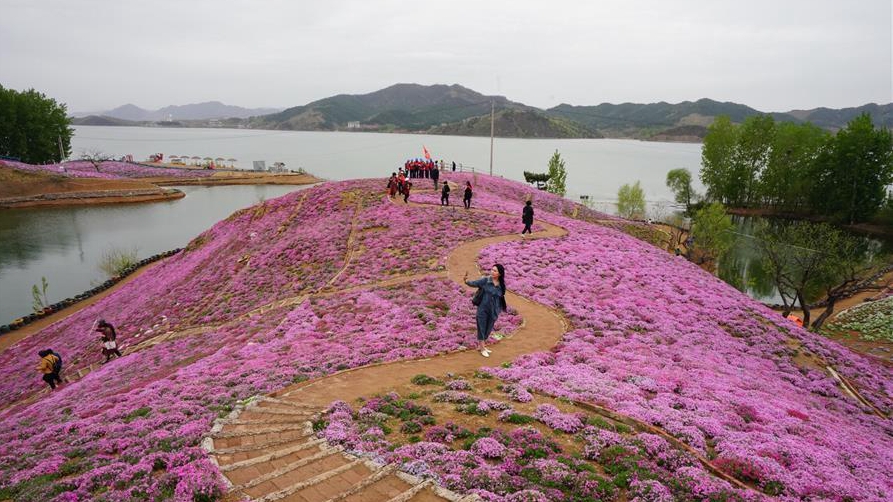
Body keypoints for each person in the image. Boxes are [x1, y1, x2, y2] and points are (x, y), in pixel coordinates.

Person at [464, 265, 507, 357]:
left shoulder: (501, 285)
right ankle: (482, 348)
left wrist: (498, 309)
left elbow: (500, 298)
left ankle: (482, 346)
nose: (492, 272)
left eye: (495, 271)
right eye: (492, 270)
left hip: (494, 310)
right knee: (482, 327)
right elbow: (474, 283)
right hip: (482, 309)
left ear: (500, 274)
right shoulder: (485, 280)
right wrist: (466, 281)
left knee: (488, 329)